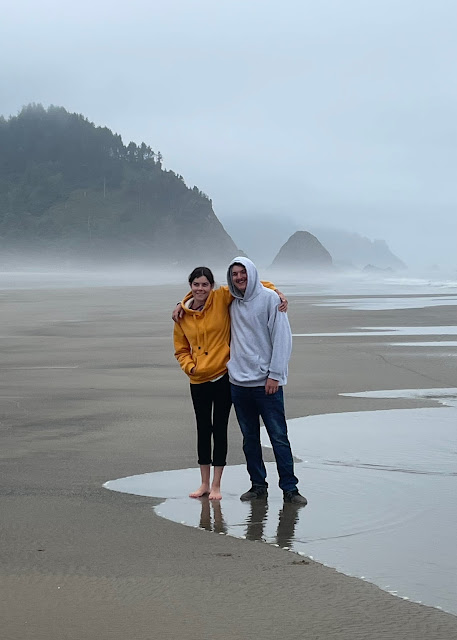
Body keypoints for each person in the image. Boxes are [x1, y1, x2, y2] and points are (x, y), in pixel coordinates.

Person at [173, 266, 286, 500]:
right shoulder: (182, 315)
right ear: (190, 286)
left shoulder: (222, 297)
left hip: (224, 376)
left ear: (212, 286)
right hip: (198, 379)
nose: (201, 288)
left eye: (205, 284)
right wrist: (190, 367)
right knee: (203, 429)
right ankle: (204, 484)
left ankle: (217, 486)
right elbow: (181, 348)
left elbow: (253, 283)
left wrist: (277, 292)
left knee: (220, 429)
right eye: (196, 284)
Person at [226, 257, 307, 505]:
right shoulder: (230, 302)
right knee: (249, 438)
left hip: (266, 384)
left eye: (243, 273)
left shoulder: (271, 299)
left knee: (278, 436)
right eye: (235, 274)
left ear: (252, 273)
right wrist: (180, 304)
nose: (239, 278)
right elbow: (200, 294)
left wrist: (275, 375)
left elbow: (283, 338)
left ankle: (290, 489)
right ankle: (258, 485)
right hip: (239, 383)